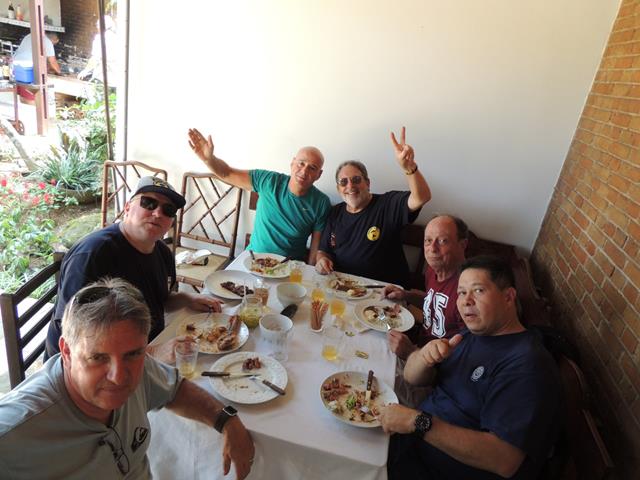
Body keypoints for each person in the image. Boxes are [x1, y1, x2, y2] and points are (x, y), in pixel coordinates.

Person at [0, 278, 254, 479]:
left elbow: (174, 389)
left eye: (133, 354)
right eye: (98, 357)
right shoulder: (16, 430)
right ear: (66, 351)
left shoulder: (140, 369)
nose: (119, 376)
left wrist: (226, 420)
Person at [378, 256, 561, 480]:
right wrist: (423, 357)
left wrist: (417, 422)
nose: (466, 301)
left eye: (478, 291)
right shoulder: (470, 336)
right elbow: (412, 377)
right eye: (462, 292)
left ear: (508, 297)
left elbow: (504, 459)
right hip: (412, 447)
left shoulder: (528, 364)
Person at [44, 176, 222, 360]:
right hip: (85, 365)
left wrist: (187, 299)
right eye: (148, 203)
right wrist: (152, 352)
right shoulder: (93, 255)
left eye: (168, 210)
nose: (158, 213)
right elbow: (75, 336)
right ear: (127, 207)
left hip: (145, 348)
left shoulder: (162, 252)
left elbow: (159, 300)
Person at [188, 128, 331, 264]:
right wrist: (209, 160)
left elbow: (315, 249)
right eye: (301, 163)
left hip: (289, 268)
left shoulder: (321, 202)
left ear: (319, 174)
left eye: (312, 168)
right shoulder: (268, 181)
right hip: (253, 260)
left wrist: (310, 273)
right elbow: (227, 173)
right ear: (292, 163)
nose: (304, 171)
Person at [314, 127, 431, 286]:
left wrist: (409, 168)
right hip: (343, 287)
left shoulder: (387, 204)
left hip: (384, 291)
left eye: (356, 179)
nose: (350, 186)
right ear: (338, 189)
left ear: (367, 183)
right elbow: (323, 251)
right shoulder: (335, 213)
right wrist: (322, 260)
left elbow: (421, 197)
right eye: (343, 182)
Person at [383, 214, 468, 361]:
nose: (432, 249)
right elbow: (435, 303)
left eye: (442, 241)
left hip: (433, 365)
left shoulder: (468, 292)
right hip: (419, 345)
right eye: (428, 240)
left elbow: (465, 357)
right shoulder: (434, 269)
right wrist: (406, 295)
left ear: (462, 245)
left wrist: (411, 353)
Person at [13, 32, 61, 104]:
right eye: (54, 43)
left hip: (17, 65)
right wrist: (59, 72)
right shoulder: (47, 41)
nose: (53, 45)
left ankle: (29, 105)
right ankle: (36, 108)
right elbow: (52, 61)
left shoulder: (29, 35)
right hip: (29, 68)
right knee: (31, 97)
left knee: (23, 96)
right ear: (55, 40)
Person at [78, 15, 117, 85]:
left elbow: (95, 58)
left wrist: (85, 71)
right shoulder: (118, 38)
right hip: (116, 79)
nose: (97, 28)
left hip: (102, 78)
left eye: (98, 26)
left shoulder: (100, 38)